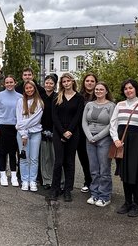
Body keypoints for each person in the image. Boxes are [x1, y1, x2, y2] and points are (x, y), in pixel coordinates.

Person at [110, 79, 138, 217]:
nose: (128, 91)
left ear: (136, 89)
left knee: (136, 175)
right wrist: (116, 139)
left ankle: (136, 205)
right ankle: (127, 202)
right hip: (122, 144)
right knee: (125, 174)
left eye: (131, 88)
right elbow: (113, 124)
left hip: (137, 143)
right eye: (126, 89)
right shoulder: (119, 105)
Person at [48, 73, 85, 202]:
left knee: (70, 162)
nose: (66, 83)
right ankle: (55, 189)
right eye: (64, 82)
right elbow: (54, 116)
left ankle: (68, 190)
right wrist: (63, 132)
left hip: (73, 132)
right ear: (61, 84)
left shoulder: (79, 98)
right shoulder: (57, 97)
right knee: (58, 162)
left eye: (68, 81)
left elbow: (78, 116)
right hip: (58, 132)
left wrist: (69, 131)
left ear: (72, 82)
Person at [82, 82, 116, 207]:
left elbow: (111, 124)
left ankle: (104, 196)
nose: (98, 91)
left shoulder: (111, 106)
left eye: (101, 89)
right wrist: (89, 136)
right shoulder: (89, 105)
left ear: (106, 91)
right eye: (97, 89)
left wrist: (97, 137)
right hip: (89, 139)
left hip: (104, 139)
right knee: (93, 168)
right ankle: (94, 193)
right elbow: (84, 122)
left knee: (104, 169)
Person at [0, 75, 22, 187]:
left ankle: (14, 175)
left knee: (13, 153)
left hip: (15, 127)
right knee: (3, 152)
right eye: (7, 82)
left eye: (11, 82)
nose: (9, 84)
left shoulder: (20, 97)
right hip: (2, 127)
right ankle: (3, 175)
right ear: (4, 84)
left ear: (15, 83)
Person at [15, 80, 44, 192]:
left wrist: (20, 125)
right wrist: (23, 134)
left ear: (34, 88)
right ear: (24, 90)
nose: (29, 90)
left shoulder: (39, 102)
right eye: (27, 88)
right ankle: (25, 180)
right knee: (24, 158)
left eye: (31, 88)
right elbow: (19, 118)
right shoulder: (19, 102)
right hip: (22, 135)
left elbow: (35, 120)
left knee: (34, 158)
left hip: (36, 133)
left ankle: (32, 181)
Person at [77, 73, 97, 193]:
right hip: (81, 132)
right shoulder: (79, 97)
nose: (89, 83)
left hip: (95, 132)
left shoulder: (100, 95)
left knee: (96, 159)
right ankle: (88, 181)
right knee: (84, 158)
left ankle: (97, 182)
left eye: (92, 81)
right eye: (87, 81)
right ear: (84, 83)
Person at [39, 74, 58, 190]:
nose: (48, 85)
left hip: (55, 130)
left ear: (55, 85)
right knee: (45, 157)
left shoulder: (58, 97)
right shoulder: (40, 97)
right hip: (42, 129)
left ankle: (57, 180)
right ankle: (47, 180)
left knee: (55, 157)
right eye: (47, 83)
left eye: (51, 83)